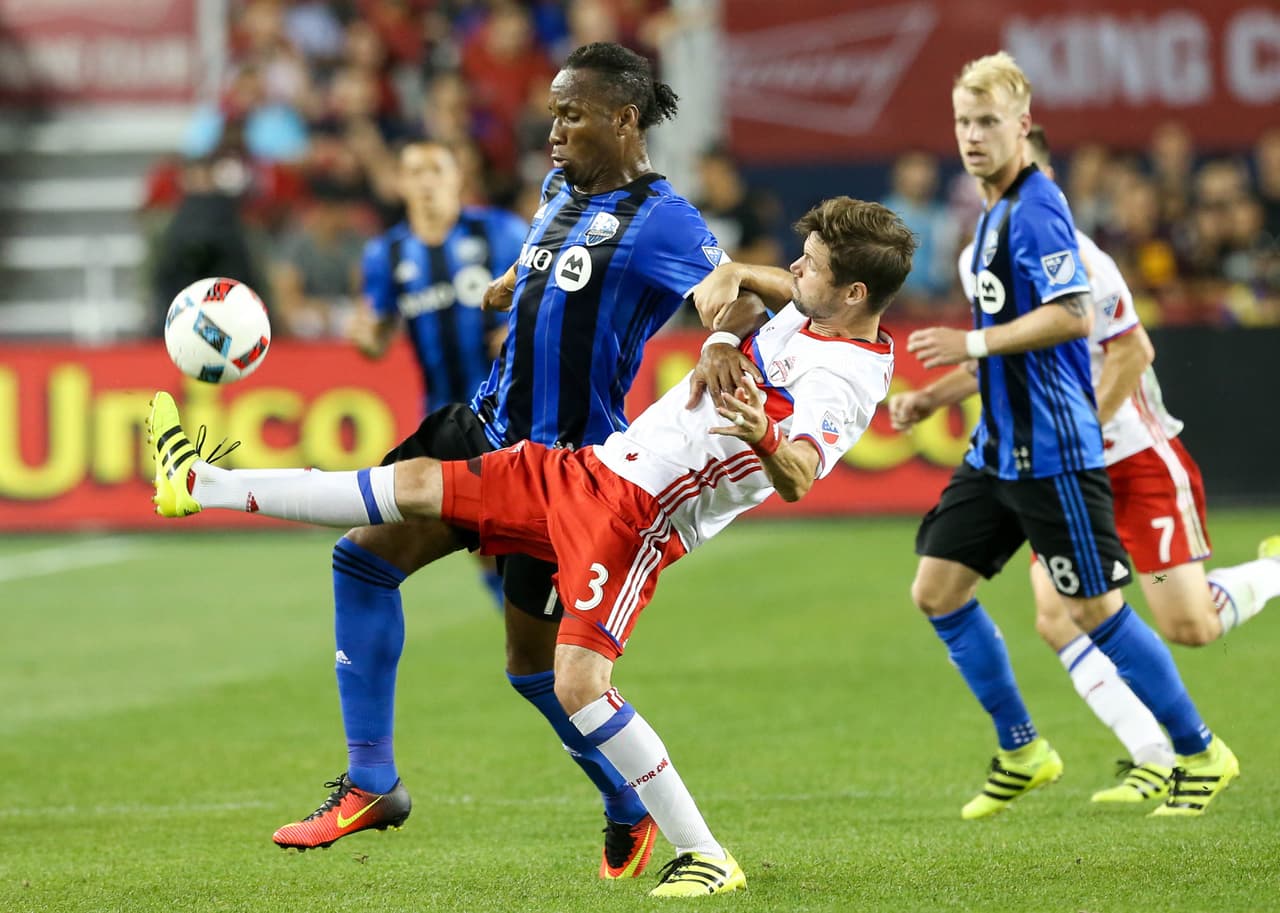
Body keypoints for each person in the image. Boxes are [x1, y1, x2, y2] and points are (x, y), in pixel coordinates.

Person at [148, 195, 915, 896]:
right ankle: (199, 483)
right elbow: (759, 283)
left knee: (577, 683)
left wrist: (763, 432)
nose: (794, 269)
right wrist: (728, 305)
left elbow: (800, 473)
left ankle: (705, 853)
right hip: (589, 469)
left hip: (637, 519)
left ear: (853, 293)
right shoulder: (817, 310)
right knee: (415, 485)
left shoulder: (843, 379)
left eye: (809, 264)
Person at [188, 42, 732, 880]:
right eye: (552, 113)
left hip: (563, 473)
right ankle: (372, 781)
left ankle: (627, 800)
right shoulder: (558, 190)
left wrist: (721, 338)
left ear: (624, 120)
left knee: (534, 669)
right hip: (478, 426)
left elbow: (725, 288)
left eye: (571, 115)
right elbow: (549, 256)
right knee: (362, 561)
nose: (553, 131)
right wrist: (511, 282)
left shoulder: (664, 219)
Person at [888, 51, 1237, 820]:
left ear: (1022, 126)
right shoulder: (991, 217)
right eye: (963, 122)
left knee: (1093, 611)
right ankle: (1023, 749)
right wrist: (936, 395)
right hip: (998, 450)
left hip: (1052, 450)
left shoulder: (1037, 208)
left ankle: (1199, 749)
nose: (972, 136)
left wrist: (971, 342)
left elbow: (1075, 316)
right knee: (937, 590)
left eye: (987, 122)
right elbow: (1008, 350)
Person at [950, 126, 1280, 804]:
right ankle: (1153, 755)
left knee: (1190, 626)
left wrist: (1079, 433)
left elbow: (1132, 353)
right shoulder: (982, 257)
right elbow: (1008, 358)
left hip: (1134, 460)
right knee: (1057, 614)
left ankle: (1274, 570)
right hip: (1067, 471)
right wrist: (939, 393)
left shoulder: (1081, 257)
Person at [349, 140, 526, 606]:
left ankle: (550, 621)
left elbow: (552, 294)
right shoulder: (385, 254)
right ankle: (525, 621)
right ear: (399, 184)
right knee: (479, 539)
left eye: (436, 170)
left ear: (457, 178)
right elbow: (377, 336)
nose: (426, 182)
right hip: (443, 416)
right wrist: (365, 335)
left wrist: (519, 327)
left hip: (513, 409)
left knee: (520, 531)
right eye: (415, 172)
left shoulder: (501, 232)